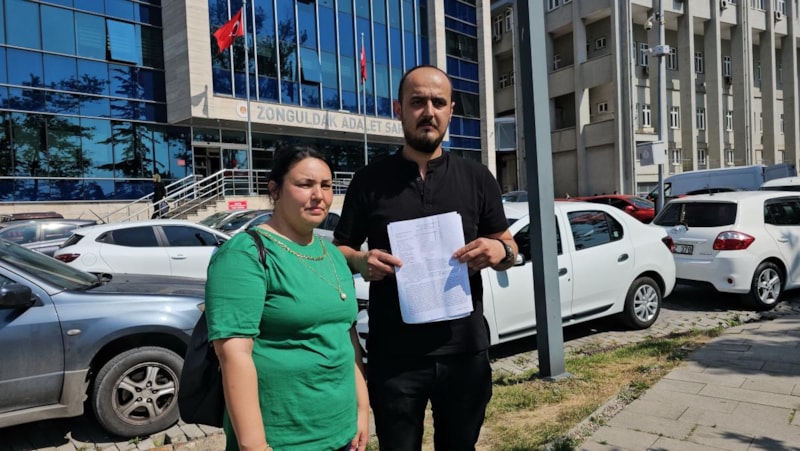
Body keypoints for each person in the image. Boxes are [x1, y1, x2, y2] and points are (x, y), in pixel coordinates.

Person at [334, 65, 519, 450]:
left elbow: (509, 247)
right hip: (394, 357)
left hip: (464, 352)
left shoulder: (477, 177)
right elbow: (340, 249)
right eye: (418, 102)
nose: (429, 111)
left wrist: (499, 250)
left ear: (451, 110)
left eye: (438, 102)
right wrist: (361, 262)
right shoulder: (369, 181)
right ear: (399, 109)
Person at [205, 146, 369, 451]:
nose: (319, 195)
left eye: (326, 185)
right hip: (283, 439)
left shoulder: (333, 254)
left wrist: (361, 410)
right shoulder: (244, 254)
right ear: (275, 190)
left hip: (342, 432)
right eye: (305, 184)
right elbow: (233, 355)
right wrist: (254, 445)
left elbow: (347, 339)